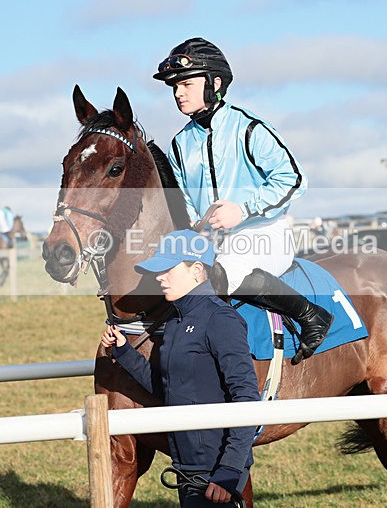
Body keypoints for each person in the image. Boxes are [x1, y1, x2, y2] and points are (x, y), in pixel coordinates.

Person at [153, 37, 332, 364]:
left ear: (215, 83)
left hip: (265, 232)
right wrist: (196, 224)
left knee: (224, 275)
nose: (178, 92)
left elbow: (293, 178)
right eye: (174, 86)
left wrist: (243, 210)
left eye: (186, 84)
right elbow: (187, 202)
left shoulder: (249, 128)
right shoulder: (179, 144)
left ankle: (311, 315)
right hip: (213, 240)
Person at [102, 229, 259, 506]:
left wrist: (230, 471)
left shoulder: (221, 319)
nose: (159, 277)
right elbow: (167, 389)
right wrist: (124, 350)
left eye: (168, 269)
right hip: (187, 469)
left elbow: (247, 398)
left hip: (216, 475)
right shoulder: (174, 322)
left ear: (197, 270)